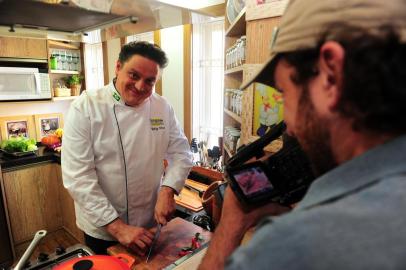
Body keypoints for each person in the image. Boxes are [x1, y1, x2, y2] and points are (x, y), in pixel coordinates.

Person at [199, 0, 406, 269]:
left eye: (284, 94)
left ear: (330, 76)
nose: (288, 123)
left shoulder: (295, 244)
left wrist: (231, 223)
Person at [62, 41, 193, 255]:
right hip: (103, 228)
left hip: (149, 222)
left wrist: (168, 189)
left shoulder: (162, 107)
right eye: (134, 75)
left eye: (150, 81)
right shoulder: (86, 107)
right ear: (118, 67)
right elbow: (78, 177)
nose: (141, 86)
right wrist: (118, 228)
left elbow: (181, 153)